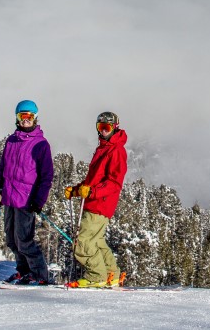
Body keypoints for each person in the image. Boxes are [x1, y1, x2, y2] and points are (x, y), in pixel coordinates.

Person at [63, 111, 128, 287]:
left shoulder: (116, 150)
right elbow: (93, 180)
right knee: (96, 241)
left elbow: (114, 182)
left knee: (83, 242)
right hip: (96, 202)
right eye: (101, 127)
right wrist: (77, 190)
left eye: (108, 127)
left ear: (115, 127)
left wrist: (91, 193)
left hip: (100, 204)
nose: (104, 131)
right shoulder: (103, 148)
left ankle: (96, 275)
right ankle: (110, 273)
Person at [0, 99, 55, 285]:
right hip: (8, 197)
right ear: (17, 118)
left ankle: (41, 275)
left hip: (26, 199)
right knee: (11, 239)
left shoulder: (41, 144)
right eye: (22, 116)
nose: (26, 120)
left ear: (35, 118)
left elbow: (46, 176)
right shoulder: (11, 141)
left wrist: (39, 200)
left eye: (29, 116)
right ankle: (24, 271)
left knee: (24, 240)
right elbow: (4, 167)